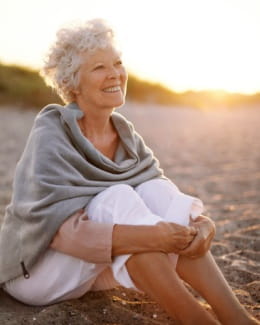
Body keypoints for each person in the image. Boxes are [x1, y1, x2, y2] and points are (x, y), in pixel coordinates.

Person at [0, 19, 258, 325]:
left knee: (153, 190)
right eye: (98, 67)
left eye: (118, 63)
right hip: (35, 269)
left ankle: (236, 317)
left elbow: (164, 200)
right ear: (73, 83)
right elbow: (60, 234)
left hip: (91, 269)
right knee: (119, 197)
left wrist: (202, 227)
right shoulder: (51, 134)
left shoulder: (125, 134)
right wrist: (153, 236)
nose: (115, 74)